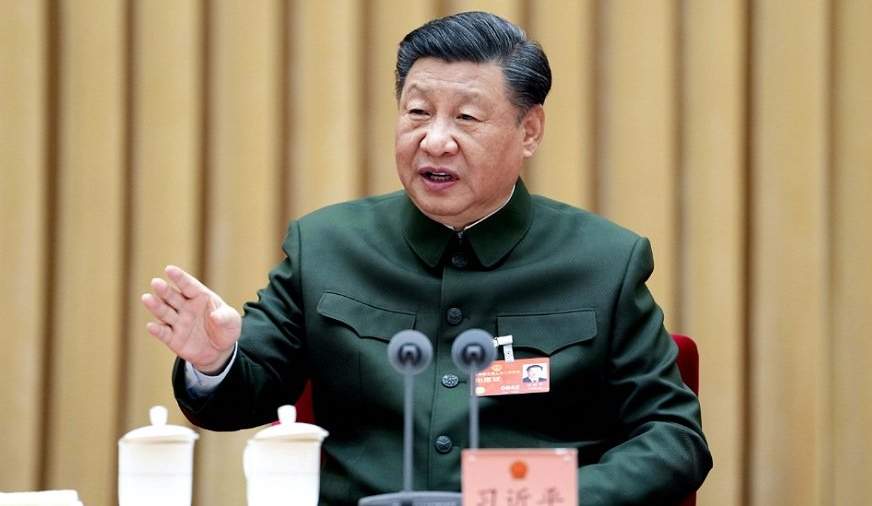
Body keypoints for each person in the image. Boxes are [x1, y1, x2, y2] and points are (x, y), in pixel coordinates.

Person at [141, 11, 711, 505]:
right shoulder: (327, 246)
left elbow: (673, 438)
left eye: (466, 118)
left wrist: (548, 497)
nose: (436, 140)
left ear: (530, 131)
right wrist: (214, 361)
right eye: (417, 112)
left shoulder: (604, 261)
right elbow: (243, 398)